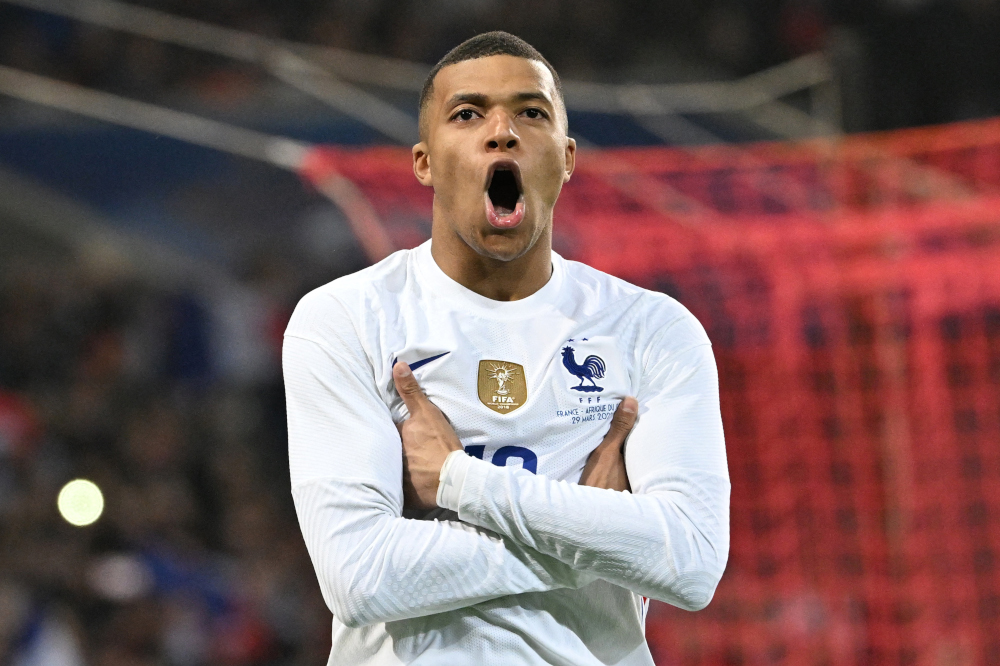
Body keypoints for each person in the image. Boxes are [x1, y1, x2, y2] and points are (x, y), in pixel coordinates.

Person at [283, 31, 730, 666]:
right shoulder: (345, 319)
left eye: (531, 112)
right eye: (467, 114)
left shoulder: (653, 330)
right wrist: (596, 537)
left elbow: (690, 562)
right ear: (425, 161)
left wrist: (463, 482)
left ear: (567, 157)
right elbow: (360, 577)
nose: (501, 132)